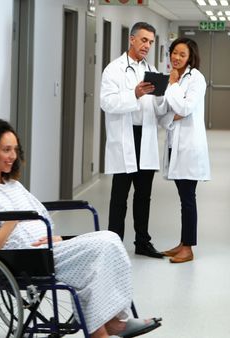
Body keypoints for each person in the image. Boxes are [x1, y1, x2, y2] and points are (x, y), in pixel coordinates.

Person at [0, 119, 162, 338]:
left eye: (15, 150)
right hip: (22, 258)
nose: (12, 156)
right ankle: (106, 327)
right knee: (104, 245)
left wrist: (55, 238)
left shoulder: (13, 185)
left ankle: (112, 321)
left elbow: (40, 214)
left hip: (46, 248)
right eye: (6, 150)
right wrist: (13, 219)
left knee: (110, 240)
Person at [100, 22, 164, 258]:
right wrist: (134, 94)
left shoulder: (152, 69)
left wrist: (162, 96)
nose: (147, 45)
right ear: (132, 39)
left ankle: (142, 242)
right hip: (124, 138)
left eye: (150, 42)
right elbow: (106, 102)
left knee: (143, 195)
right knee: (119, 196)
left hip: (145, 137)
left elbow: (156, 107)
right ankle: (113, 244)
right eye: (144, 40)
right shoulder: (113, 69)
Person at [156, 37, 210, 264]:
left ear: (190, 58)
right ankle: (183, 243)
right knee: (183, 199)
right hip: (173, 144)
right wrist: (172, 114)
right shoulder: (170, 78)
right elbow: (160, 111)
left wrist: (175, 87)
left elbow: (186, 108)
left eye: (182, 54)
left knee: (188, 199)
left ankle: (188, 248)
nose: (176, 58)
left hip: (189, 147)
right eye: (174, 53)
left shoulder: (196, 78)